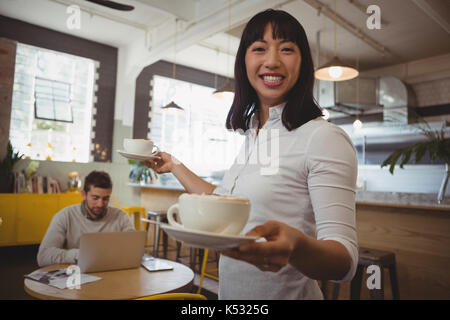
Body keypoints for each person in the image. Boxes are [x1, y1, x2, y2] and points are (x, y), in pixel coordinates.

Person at [145, 9, 358, 299]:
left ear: (303, 63)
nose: (272, 61)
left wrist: (297, 246)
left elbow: (345, 261)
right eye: (259, 48)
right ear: (244, 61)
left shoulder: (324, 138)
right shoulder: (258, 134)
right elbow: (225, 203)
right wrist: (174, 164)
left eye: (287, 49)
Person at [37, 171, 135, 267]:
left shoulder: (121, 217)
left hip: (113, 274)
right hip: (76, 277)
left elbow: (134, 250)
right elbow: (43, 256)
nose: (100, 204)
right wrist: (81, 255)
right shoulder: (65, 216)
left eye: (105, 198)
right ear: (84, 194)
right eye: (95, 198)